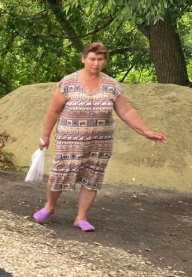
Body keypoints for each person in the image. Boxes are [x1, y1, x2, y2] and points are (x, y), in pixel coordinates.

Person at [32, 42, 166, 232]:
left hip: (100, 142)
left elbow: (126, 111)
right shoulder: (68, 83)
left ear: (105, 61)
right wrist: (44, 136)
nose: (96, 63)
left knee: (92, 177)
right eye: (92, 59)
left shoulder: (111, 85)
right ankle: (49, 206)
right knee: (59, 174)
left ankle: (81, 217)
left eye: (100, 59)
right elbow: (53, 111)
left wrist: (145, 131)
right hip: (69, 140)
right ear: (84, 59)